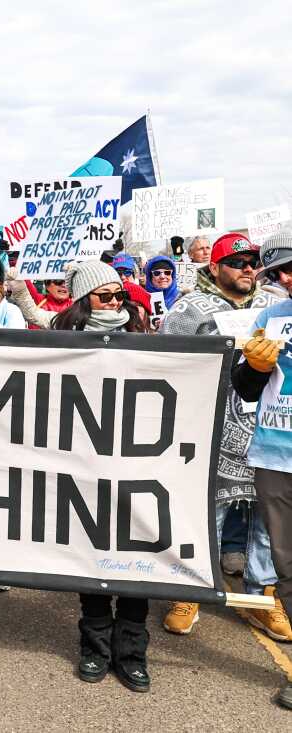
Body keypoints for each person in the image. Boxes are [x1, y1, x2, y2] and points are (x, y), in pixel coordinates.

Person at [160, 234, 288, 640]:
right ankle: (191, 590)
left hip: (269, 432)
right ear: (214, 267)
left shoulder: (275, 307)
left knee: (269, 525)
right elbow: (165, 365)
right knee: (204, 513)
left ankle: (262, 596)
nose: (247, 268)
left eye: (252, 261)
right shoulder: (188, 309)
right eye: (236, 261)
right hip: (210, 427)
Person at [50, 260, 151, 691]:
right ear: (83, 300)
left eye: (119, 295)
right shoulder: (62, 341)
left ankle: (131, 652)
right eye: (105, 296)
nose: (115, 303)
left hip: (136, 464)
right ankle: (94, 647)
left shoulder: (146, 338)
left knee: (137, 556)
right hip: (83, 463)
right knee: (91, 556)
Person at [231, 231, 292, 711]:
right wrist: (251, 366)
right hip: (275, 456)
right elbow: (248, 391)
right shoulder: (270, 315)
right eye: (280, 272)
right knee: (287, 567)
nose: (287, 278)